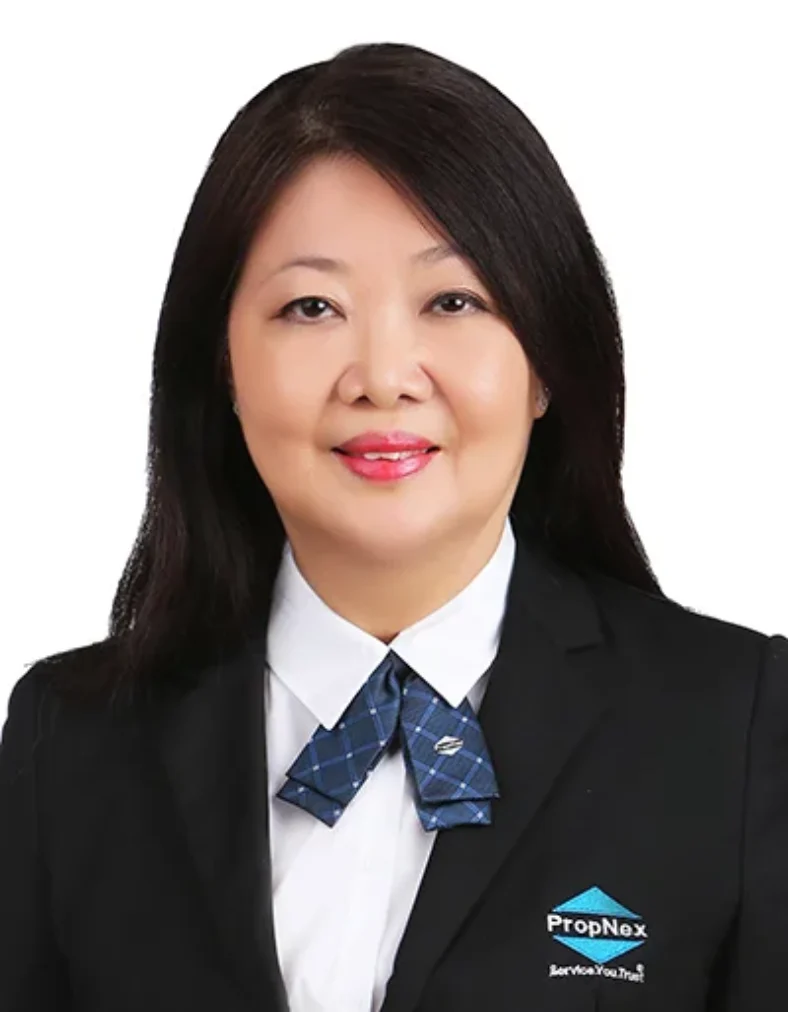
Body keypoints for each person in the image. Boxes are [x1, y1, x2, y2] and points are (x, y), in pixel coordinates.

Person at [1, 40, 785, 1012]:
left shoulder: (735, 727)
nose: (381, 376)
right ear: (222, 368)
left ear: (546, 362)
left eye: (452, 300)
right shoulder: (73, 742)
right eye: (311, 306)